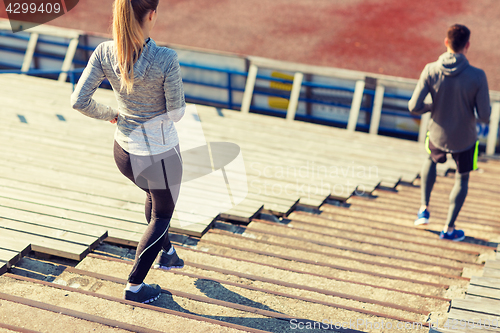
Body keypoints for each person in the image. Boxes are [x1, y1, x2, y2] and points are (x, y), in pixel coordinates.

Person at [71, 0, 186, 303]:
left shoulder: (105, 52)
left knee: (153, 197)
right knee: (162, 214)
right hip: (160, 155)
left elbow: (78, 100)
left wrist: (111, 114)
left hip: (124, 154)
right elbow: (176, 114)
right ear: (152, 15)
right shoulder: (165, 58)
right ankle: (135, 285)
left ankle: (168, 253)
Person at [408, 24, 490, 241]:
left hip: (437, 133)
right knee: (462, 179)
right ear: (467, 46)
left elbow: (413, 106)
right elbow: (484, 116)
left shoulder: (430, 69)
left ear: (446, 42)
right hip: (465, 138)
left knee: (430, 160)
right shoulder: (478, 76)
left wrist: (431, 107)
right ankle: (449, 229)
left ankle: (424, 210)